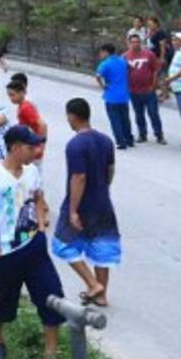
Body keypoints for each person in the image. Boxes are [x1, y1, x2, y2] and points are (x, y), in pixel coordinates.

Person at [0, 125, 64, 359]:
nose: (36, 150)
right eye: (30, 146)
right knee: (1, 302)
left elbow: (38, 198)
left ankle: (50, 353)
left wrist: (42, 227)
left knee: (50, 294)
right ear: (15, 148)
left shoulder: (32, 171)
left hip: (34, 247)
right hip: (6, 252)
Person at [52, 98, 120, 308]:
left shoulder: (75, 145)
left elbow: (78, 177)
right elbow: (110, 170)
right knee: (102, 247)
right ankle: (101, 295)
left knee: (62, 244)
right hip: (102, 201)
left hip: (82, 203)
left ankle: (93, 284)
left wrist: (73, 210)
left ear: (72, 116)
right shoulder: (106, 140)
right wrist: (103, 188)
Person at [123, 33, 165, 144]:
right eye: (133, 42)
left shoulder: (149, 54)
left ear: (141, 42)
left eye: (137, 42)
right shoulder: (124, 56)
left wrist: (153, 84)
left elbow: (155, 70)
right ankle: (142, 134)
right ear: (128, 43)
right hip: (133, 91)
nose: (135, 44)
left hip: (148, 90)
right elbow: (121, 73)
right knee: (139, 114)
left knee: (153, 113)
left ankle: (159, 135)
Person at [95, 43, 133, 150]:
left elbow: (98, 76)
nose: (100, 55)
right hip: (124, 95)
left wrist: (103, 86)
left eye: (101, 52)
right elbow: (130, 69)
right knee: (125, 118)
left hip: (111, 96)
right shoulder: (122, 61)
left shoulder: (105, 64)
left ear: (105, 52)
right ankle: (129, 139)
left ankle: (121, 142)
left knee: (115, 120)